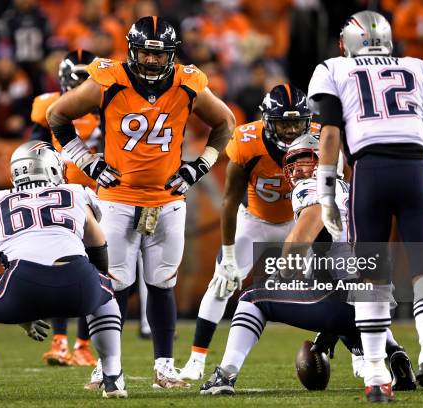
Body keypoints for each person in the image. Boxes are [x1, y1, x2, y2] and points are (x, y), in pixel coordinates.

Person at [46, 16, 235, 389]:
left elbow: (225, 122)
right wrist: (88, 162)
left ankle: (164, 367)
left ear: (171, 54)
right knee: (113, 285)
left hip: (167, 199)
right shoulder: (108, 78)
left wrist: (199, 167)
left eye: (159, 53)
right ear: (132, 50)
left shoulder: (187, 81)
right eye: (145, 53)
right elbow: (58, 115)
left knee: (163, 284)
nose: (151, 60)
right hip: (117, 199)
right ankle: (106, 367)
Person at [308, 11, 423, 403]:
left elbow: (331, 134)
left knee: (371, 277)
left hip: (369, 171)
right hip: (414, 168)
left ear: (347, 43)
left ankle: (375, 376)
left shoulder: (334, 68)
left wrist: (325, 194)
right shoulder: (416, 66)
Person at [199, 134, 415, 395]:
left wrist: (283, 273)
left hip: (347, 300)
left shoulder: (311, 188)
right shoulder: (352, 189)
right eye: (294, 162)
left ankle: (224, 375)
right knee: (334, 293)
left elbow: (302, 237)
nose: (298, 169)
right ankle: (394, 353)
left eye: (307, 161)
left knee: (252, 299)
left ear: (326, 163)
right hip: (379, 302)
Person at [0, 141, 126, 399]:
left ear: (15, 173)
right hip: (79, 281)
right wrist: (96, 284)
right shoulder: (76, 192)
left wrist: (20, 311)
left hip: (21, 282)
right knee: (106, 293)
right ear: (54, 169)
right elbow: (99, 248)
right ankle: (112, 376)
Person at [180, 84, 310, 380]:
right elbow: (228, 200)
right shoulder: (246, 141)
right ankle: (197, 360)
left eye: (296, 122)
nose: (291, 131)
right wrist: (227, 256)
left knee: (337, 282)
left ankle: (362, 355)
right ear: (267, 120)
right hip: (255, 221)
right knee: (221, 282)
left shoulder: (318, 137)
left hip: (301, 221)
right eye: (283, 122)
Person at [31, 49, 100, 368]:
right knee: (61, 265)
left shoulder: (108, 104)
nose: (86, 84)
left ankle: (83, 344)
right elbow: (35, 148)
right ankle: (60, 342)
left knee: (97, 271)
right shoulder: (48, 105)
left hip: (100, 194)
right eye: (81, 77)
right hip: (62, 195)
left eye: (90, 77)